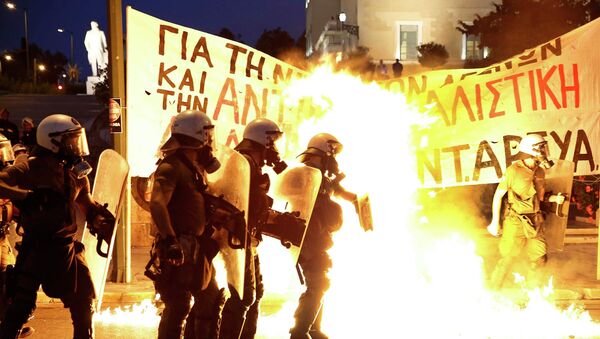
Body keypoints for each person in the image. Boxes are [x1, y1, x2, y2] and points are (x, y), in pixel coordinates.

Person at [0, 114, 114, 338]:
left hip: (67, 250)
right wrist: (25, 196)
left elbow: (86, 204)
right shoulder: (29, 168)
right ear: (52, 141)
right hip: (36, 250)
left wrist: (99, 220)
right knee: (20, 308)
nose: (76, 146)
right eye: (71, 140)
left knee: (84, 304)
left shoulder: (76, 172)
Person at [148, 110, 222, 339]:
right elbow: (158, 204)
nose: (210, 140)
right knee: (178, 305)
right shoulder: (171, 166)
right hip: (179, 245)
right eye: (207, 135)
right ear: (196, 136)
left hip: (196, 247)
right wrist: (171, 241)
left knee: (210, 300)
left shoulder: (193, 167)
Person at [216, 118, 288, 339]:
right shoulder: (244, 164)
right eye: (272, 141)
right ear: (263, 141)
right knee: (243, 296)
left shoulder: (249, 164)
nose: (275, 149)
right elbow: (244, 202)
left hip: (247, 238)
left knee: (255, 295)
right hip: (237, 238)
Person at [289, 133, 356, 339]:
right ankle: (300, 332)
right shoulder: (305, 175)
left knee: (319, 283)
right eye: (332, 153)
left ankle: (313, 329)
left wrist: (357, 201)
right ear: (325, 151)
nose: (334, 158)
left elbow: (338, 191)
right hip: (307, 239)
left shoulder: (321, 176)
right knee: (318, 284)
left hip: (317, 240)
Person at [487, 134, 563, 289]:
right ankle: (492, 291)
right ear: (530, 150)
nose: (544, 151)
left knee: (540, 258)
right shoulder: (513, 171)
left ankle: (531, 292)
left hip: (536, 220)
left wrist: (555, 198)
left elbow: (540, 198)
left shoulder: (540, 172)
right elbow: (498, 196)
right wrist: (495, 222)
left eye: (544, 147)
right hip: (516, 221)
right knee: (508, 258)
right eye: (541, 147)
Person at [0, 135, 33, 338]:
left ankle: (8, 323)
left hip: (2, 240)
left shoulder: (7, 183)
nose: (4, 158)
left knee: (11, 281)